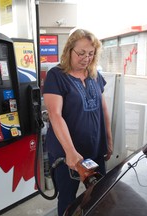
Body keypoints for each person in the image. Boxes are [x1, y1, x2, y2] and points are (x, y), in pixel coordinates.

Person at [42, 29, 113, 215]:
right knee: (67, 198)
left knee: (99, 192)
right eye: (81, 53)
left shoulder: (94, 75)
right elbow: (55, 115)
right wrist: (70, 152)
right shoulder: (56, 76)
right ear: (69, 50)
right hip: (67, 154)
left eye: (91, 54)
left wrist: (108, 139)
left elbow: (103, 109)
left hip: (95, 148)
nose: (86, 58)